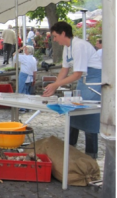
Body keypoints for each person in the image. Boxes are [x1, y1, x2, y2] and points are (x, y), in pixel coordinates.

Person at [43, 21, 102, 159]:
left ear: (63, 33)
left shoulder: (79, 46)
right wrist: (53, 86)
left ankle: (91, 156)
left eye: (56, 36)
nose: (55, 39)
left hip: (94, 82)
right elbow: (65, 69)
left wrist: (55, 85)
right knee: (73, 114)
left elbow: (77, 74)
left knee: (90, 116)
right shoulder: (67, 47)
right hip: (84, 82)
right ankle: (69, 153)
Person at [13, 46, 37, 113]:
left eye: (25, 49)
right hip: (30, 77)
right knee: (27, 93)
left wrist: (20, 49)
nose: (24, 51)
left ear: (27, 51)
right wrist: (34, 79)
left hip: (24, 76)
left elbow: (14, 55)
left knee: (22, 92)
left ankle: (22, 108)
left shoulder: (24, 57)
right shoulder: (33, 59)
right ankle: (28, 107)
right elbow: (35, 71)